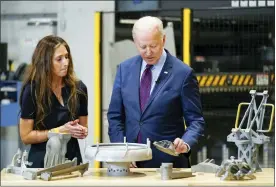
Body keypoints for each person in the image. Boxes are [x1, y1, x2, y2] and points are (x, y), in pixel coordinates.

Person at [107, 16, 205, 168]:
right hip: (130, 165)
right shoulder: (124, 69)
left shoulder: (183, 74)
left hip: (169, 165)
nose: (148, 52)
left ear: (163, 40)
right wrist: (123, 152)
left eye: (153, 46)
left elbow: (196, 121)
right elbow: (115, 117)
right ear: (135, 43)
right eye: (142, 46)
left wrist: (185, 143)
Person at [19, 35, 88, 168]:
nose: (66, 62)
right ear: (45, 62)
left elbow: (84, 129)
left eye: (67, 57)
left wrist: (80, 131)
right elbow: (26, 136)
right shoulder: (32, 91)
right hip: (41, 164)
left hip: (72, 162)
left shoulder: (79, 89)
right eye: (59, 59)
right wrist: (58, 131)